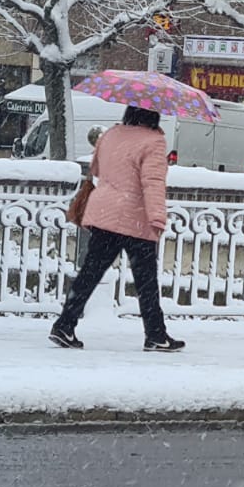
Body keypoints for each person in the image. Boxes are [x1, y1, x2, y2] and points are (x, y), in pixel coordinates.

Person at [50, 105, 184, 352]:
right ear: (153, 116)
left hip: (105, 213)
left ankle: (64, 325)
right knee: (146, 281)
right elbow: (152, 183)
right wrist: (157, 218)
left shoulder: (111, 134)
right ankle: (155, 334)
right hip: (134, 217)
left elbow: (98, 169)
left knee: (90, 272)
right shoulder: (153, 141)